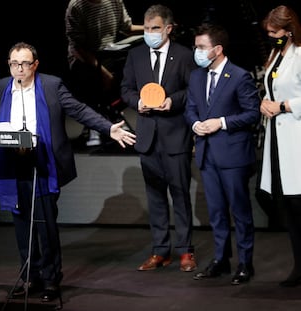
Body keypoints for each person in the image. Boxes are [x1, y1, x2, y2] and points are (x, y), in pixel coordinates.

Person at [0, 42, 136, 302]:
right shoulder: (1, 87)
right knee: (22, 224)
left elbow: (79, 110)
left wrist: (108, 128)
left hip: (43, 163)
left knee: (45, 225)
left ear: (35, 64)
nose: (19, 69)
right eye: (14, 63)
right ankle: (30, 277)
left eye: (25, 63)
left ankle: (50, 280)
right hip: (13, 164)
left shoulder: (51, 85)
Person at [121, 4, 197, 273]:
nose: (150, 33)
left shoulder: (185, 55)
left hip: (175, 135)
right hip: (147, 137)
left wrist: (172, 102)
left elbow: (192, 90)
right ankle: (160, 251)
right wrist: (137, 102)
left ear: (168, 28)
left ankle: (186, 251)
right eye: (147, 28)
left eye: (155, 28)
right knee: (155, 197)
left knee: (180, 195)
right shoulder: (136, 55)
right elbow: (126, 89)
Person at [184, 23, 260, 285]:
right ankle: (221, 259)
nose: (197, 52)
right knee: (216, 212)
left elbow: (253, 113)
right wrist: (195, 124)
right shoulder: (196, 76)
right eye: (196, 47)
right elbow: (191, 108)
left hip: (233, 156)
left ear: (217, 49)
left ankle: (245, 263)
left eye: (202, 47)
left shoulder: (239, 76)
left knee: (240, 212)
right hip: (206, 155)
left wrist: (222, 122)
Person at [258, 5, 301, 287]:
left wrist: (283, 106)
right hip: (277, 138)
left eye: (275, 32)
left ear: (288, 31)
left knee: (298, 203)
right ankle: (299, 266)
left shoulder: (300, 55)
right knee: (288, 206)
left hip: (296, 136)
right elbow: (272, 89)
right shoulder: (276, 53)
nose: (271, 36)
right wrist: (265, 102)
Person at [65, 0, 143, 146]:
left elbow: (126, 27)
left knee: (132, 74)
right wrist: (103, 72)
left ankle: (112, 115)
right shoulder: (77, 6)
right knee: (94, 78)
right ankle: (97, 123)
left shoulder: (114, 2)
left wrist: (154, 28)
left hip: (108, 54)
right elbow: (78, 47)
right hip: (83, 59)